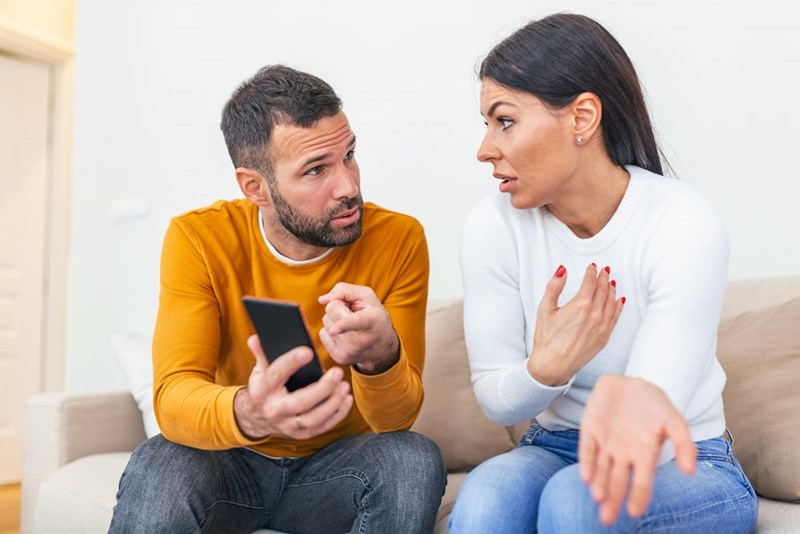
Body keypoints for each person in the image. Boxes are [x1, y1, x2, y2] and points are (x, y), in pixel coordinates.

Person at [449, 13, 758, 533]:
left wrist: (624, 393)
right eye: (486, 124)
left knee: (578, 502)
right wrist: (546, 368)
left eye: (504, 121)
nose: (485, 149)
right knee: (486, 496)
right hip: (552, 446)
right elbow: (496, 400)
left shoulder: (681, 221)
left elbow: (652, 400)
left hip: (686, 462)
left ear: (582, 118)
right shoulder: (492, 226)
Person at [109, 64, 446, 534]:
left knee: (412, 459)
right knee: (161, 461)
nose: (349, 186)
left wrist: (380, 358)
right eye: (316, 170)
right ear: (256, 188)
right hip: (232, 464)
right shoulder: (200, 239)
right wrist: (251, 411)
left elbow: (397, 420)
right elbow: (174, 395)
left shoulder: (400, 239)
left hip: (334, 473)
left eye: (349, 155)